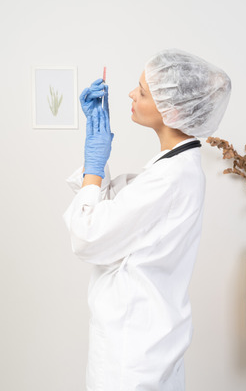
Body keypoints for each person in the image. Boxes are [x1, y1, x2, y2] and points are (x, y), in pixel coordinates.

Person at [63, 49, 231, 391]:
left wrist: (94, 167)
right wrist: (96, 159)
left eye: (141, 90)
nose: (130, 94)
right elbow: (124, 219)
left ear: (173, 110)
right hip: (141, 343)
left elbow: (88, 237)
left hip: (132, 356)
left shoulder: (170, 178)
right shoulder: (173, 167)